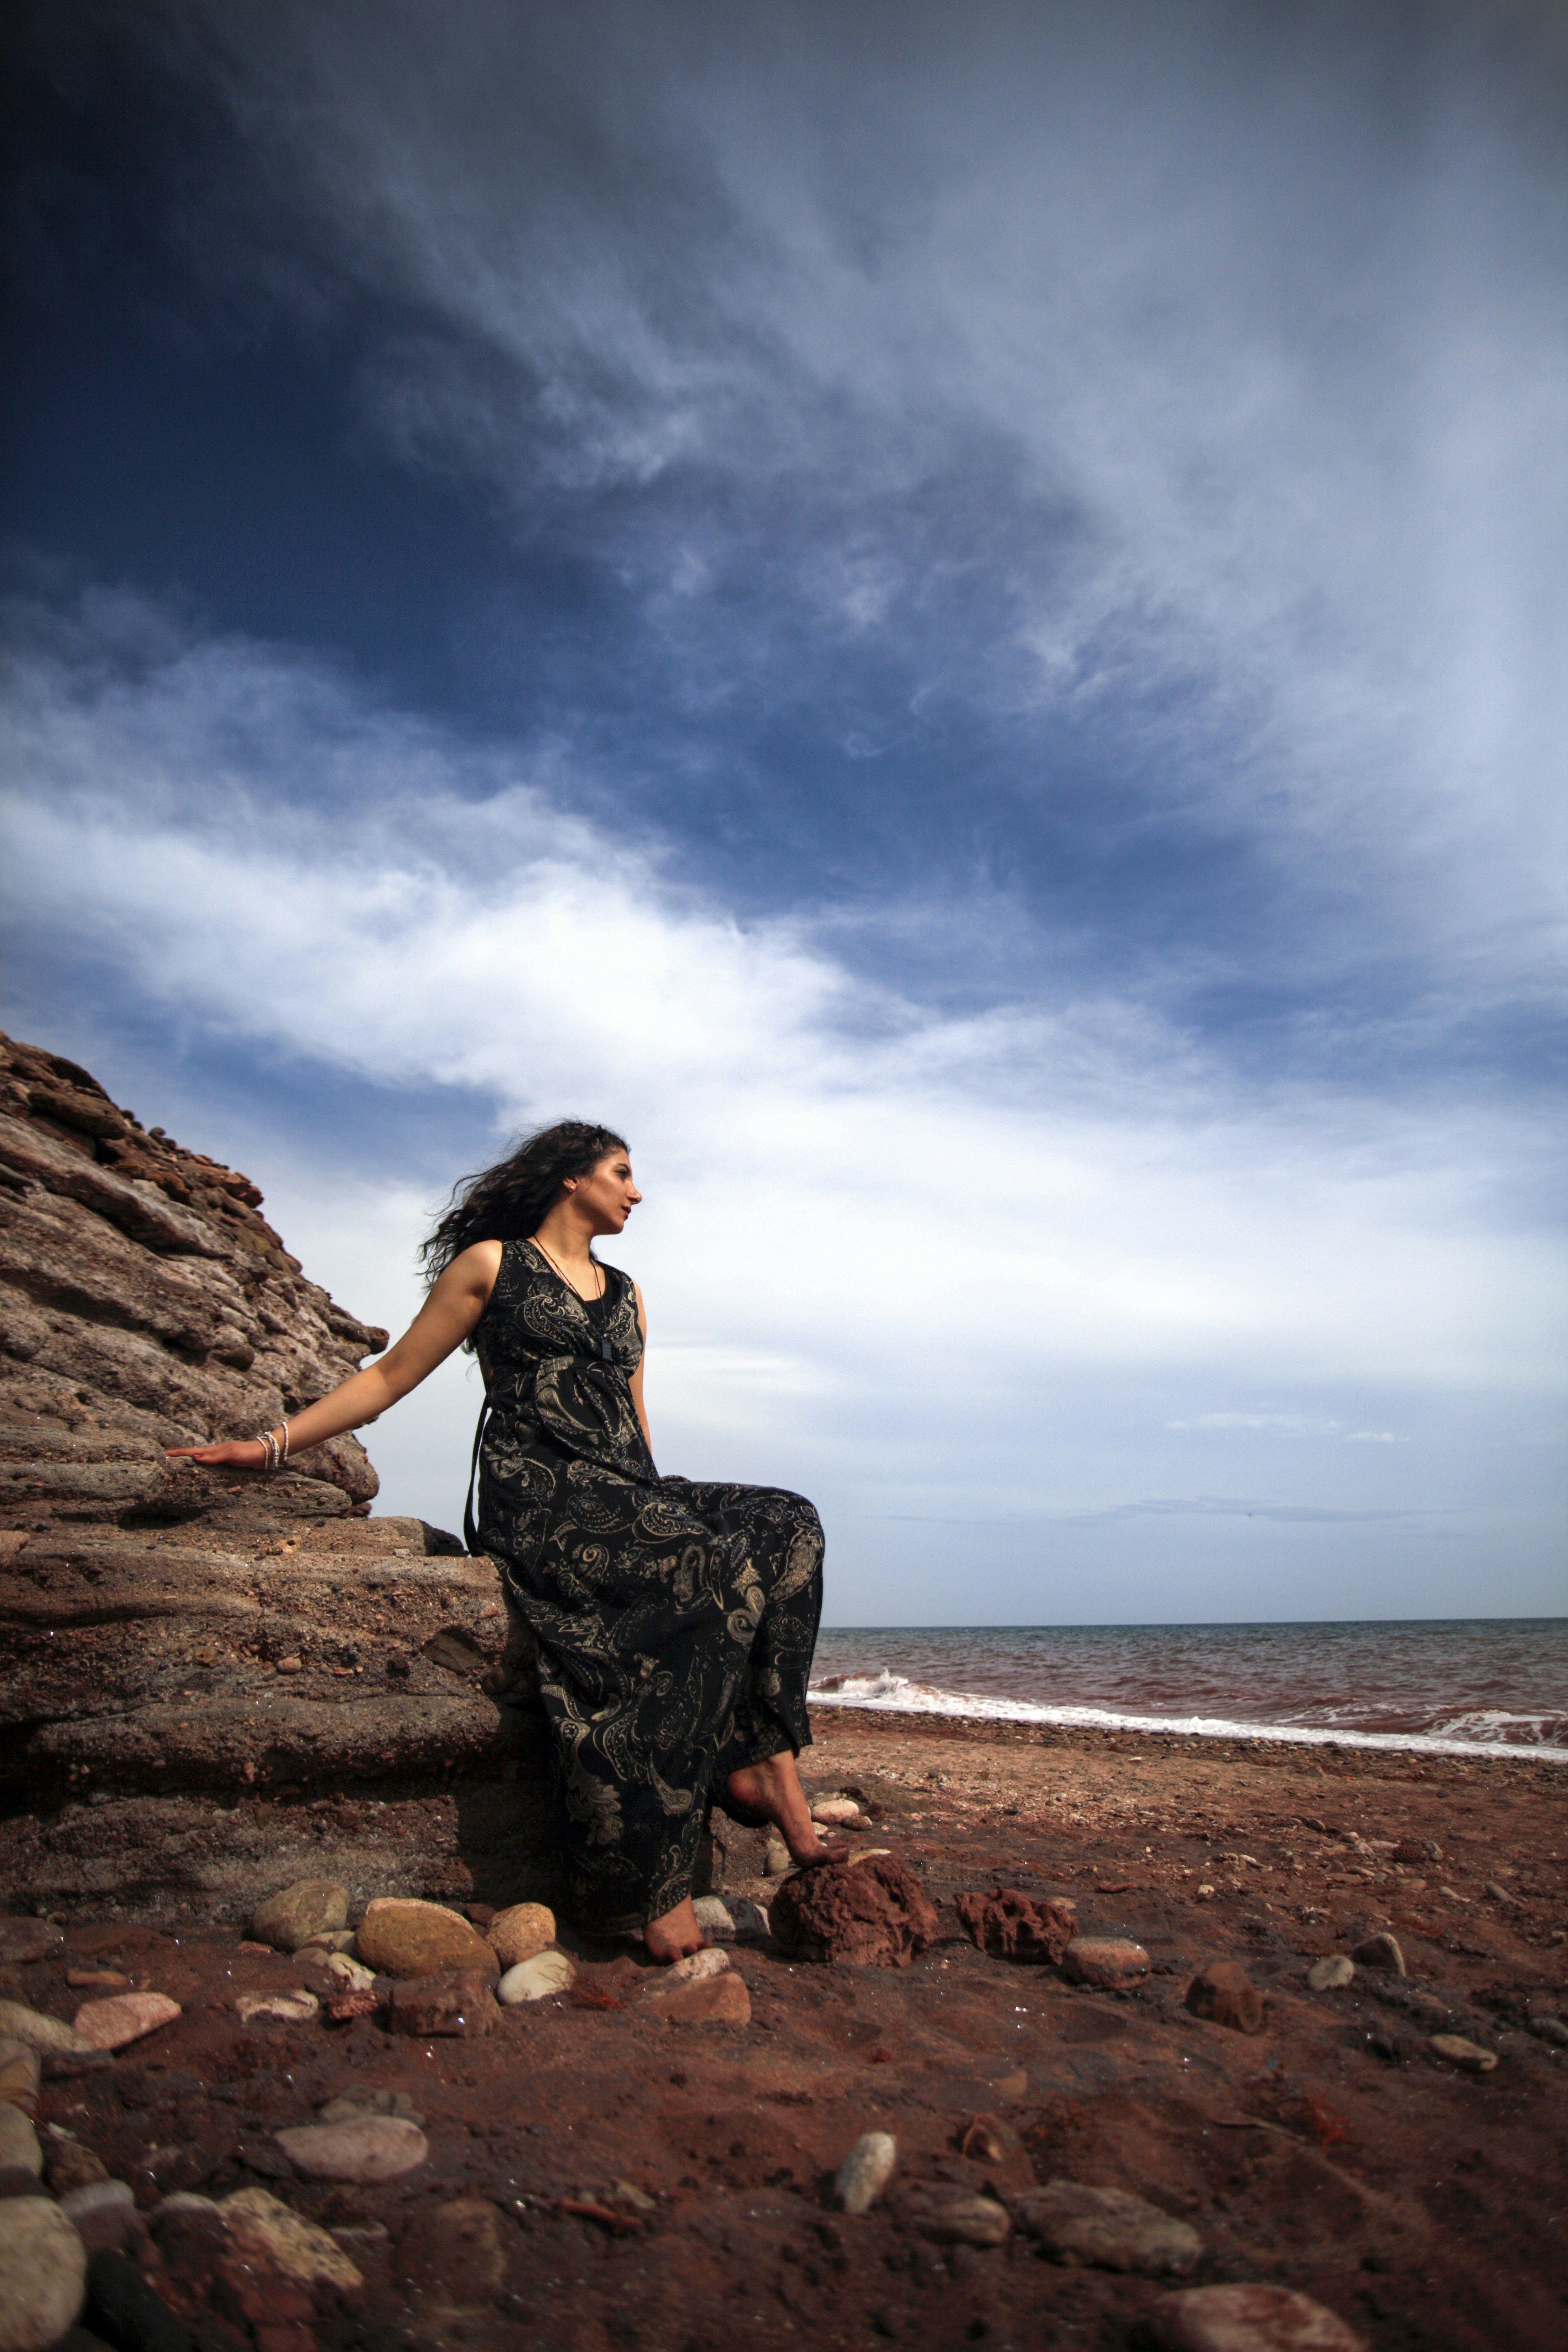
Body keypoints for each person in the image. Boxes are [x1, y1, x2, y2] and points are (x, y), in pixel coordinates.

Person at [167, 1122, 843, 1961]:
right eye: (622, 1173)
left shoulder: (627, 1292)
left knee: (788, 1522)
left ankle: (766, 1758)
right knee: (706, 1572)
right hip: (542, 1499)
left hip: (623, 1488)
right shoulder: (493, 1264)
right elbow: (387, 1378)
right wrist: (268, 1447)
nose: (637, 1192)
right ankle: (653, 1884)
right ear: (570, 1179)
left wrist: (666, 1511)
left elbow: (633, 1424)